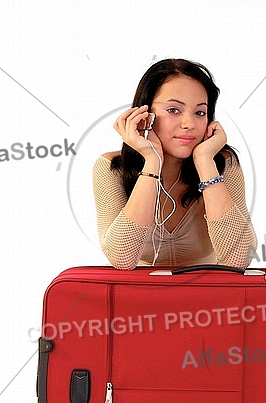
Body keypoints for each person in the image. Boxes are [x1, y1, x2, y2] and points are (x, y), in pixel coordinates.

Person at [93, 58, 257, 270]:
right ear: (144, 114)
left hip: (207, 297)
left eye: (200, 112)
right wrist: (152, 161)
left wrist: (205, 162)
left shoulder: (223, 163)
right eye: (173, 110)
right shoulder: (110, 168)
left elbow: (239, 259)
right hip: (137, 297)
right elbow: (122, 259)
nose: (189, 124)